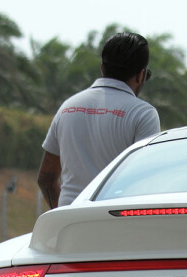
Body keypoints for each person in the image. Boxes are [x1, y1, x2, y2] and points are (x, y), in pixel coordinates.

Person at [37, 32, 161, 208]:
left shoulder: (67, 107)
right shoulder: (143, 114)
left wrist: (62, 213)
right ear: (140, 75)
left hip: (70, 225)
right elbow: (145, 180)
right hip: (113, 223)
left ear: (102, 68)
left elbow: (46, 178)